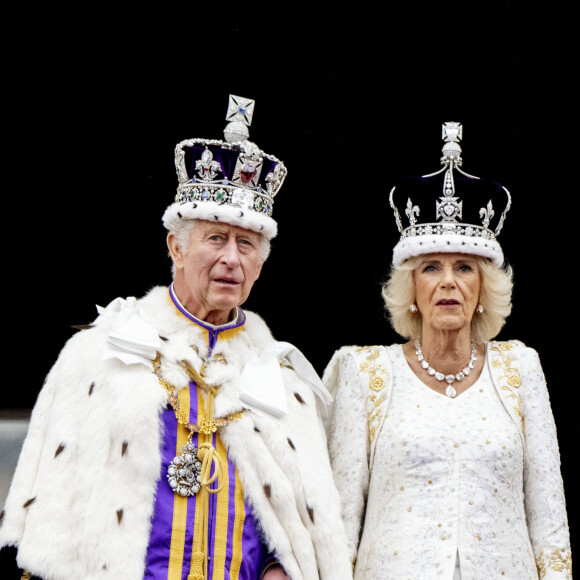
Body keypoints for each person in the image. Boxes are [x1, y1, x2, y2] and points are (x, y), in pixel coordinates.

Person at [0, 95, 352, 580]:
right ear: (176, 247)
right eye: (215, 238)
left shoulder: (282, 379)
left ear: (261, 262)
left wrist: (278, 565)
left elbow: (295, 523)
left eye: (246, 243)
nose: (232, 257)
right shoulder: (101, 353)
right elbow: (53, 518)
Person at [323, 122, 572, 579]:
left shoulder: (521, 367)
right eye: (431, 267)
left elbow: (548, 512)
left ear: (484, 287)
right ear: (412, 288)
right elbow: (340, 519)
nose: (448, 282)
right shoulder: (365, 371)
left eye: (464, 268)